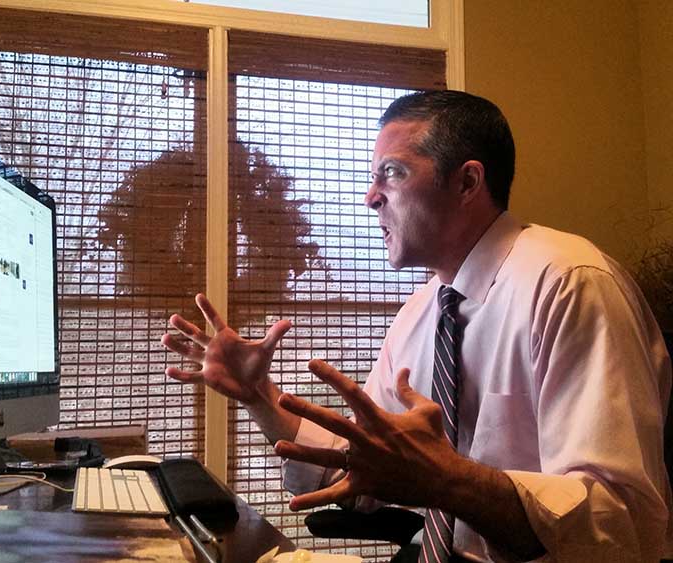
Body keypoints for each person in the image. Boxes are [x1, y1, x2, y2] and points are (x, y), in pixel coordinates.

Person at [161, 90, 672, 562]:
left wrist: (447, 482)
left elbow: (620, 524)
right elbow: (361, 466)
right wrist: (259, 396)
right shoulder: (421, 311)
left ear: (468, 182)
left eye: (393, 174)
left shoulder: (569, 284)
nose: (370, 197)